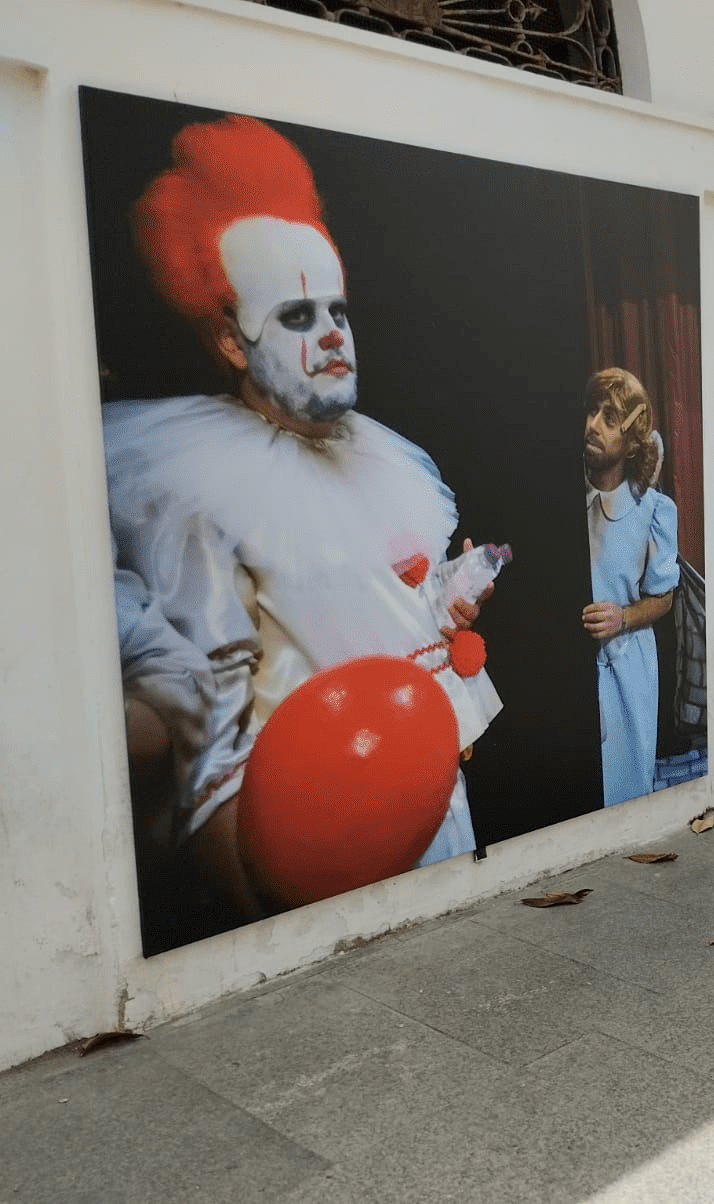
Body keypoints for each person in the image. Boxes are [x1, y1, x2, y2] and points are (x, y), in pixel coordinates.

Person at [102, 114, 502, 918]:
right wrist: (276, 915)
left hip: (437, 804)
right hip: (324, 855)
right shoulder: (197, 480)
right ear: (229, 338)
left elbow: (389, 613)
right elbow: (206, 727)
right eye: (295, 317)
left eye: (337, 313)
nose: (330, 338)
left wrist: (450, 601)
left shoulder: (391, 459)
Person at [583, 367, 679, 806]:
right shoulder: (568, 501)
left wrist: (623, 617)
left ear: (631, 437)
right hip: (576, 666)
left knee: (625, 788)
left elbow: (664, 598)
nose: (593, 424)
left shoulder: (653, 511)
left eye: (608, 417)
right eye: (590, 411)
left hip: (628, 665)